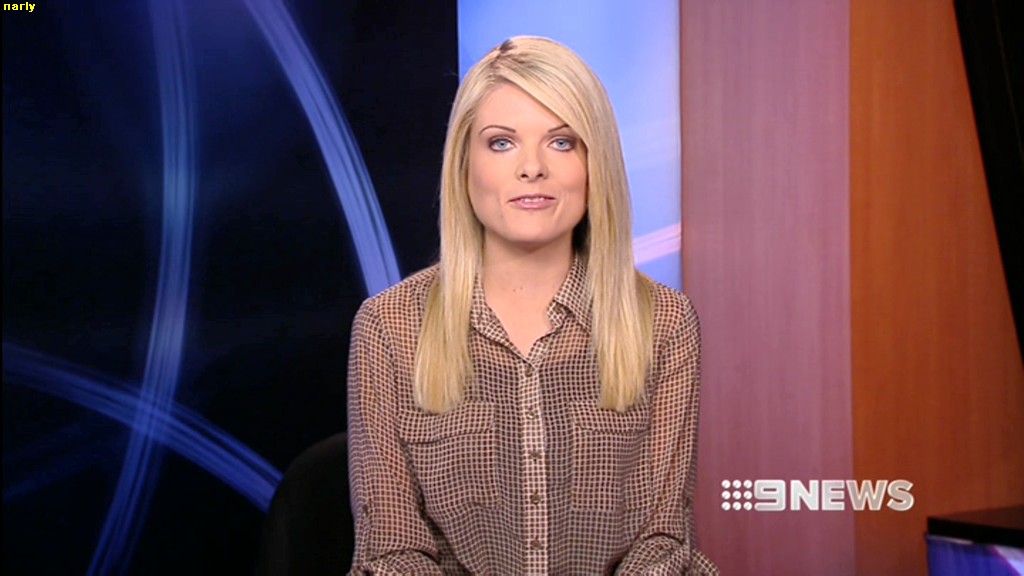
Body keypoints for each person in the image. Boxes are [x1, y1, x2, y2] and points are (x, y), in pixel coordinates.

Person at [346, 36, 717, 575]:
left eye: (562, 142)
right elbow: (392, 551)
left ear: (595, 164)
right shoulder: (390, 326)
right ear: (464, 165)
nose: (532, 168)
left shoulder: (663, 322)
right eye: (502, 143)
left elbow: (661, 543)